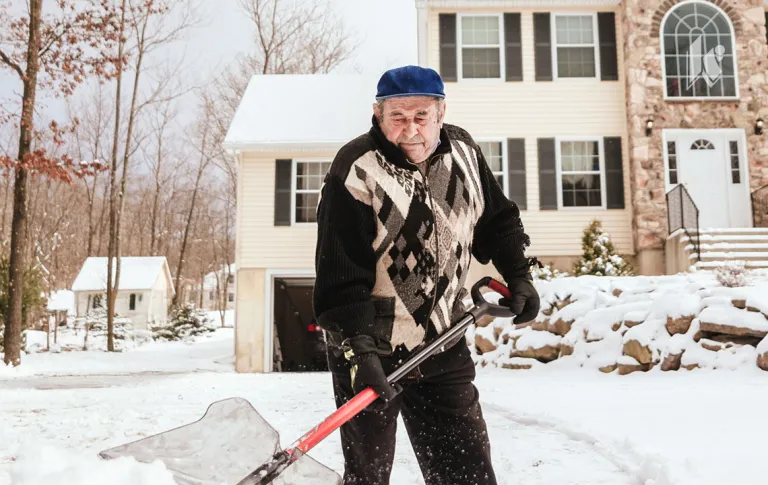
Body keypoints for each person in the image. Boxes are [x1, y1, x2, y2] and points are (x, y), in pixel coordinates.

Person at [312, 65, 540, 485]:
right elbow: (339, 271)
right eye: (397, 117)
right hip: (370, 346)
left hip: (442, 340)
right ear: (378, 115)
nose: (410, 129)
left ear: (441, 112)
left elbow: (498, 220)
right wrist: (359, 350)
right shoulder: (358, 166)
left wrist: (519, 274)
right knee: (369, 474)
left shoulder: (465, 152)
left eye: (421, 116)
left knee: (466, 469)